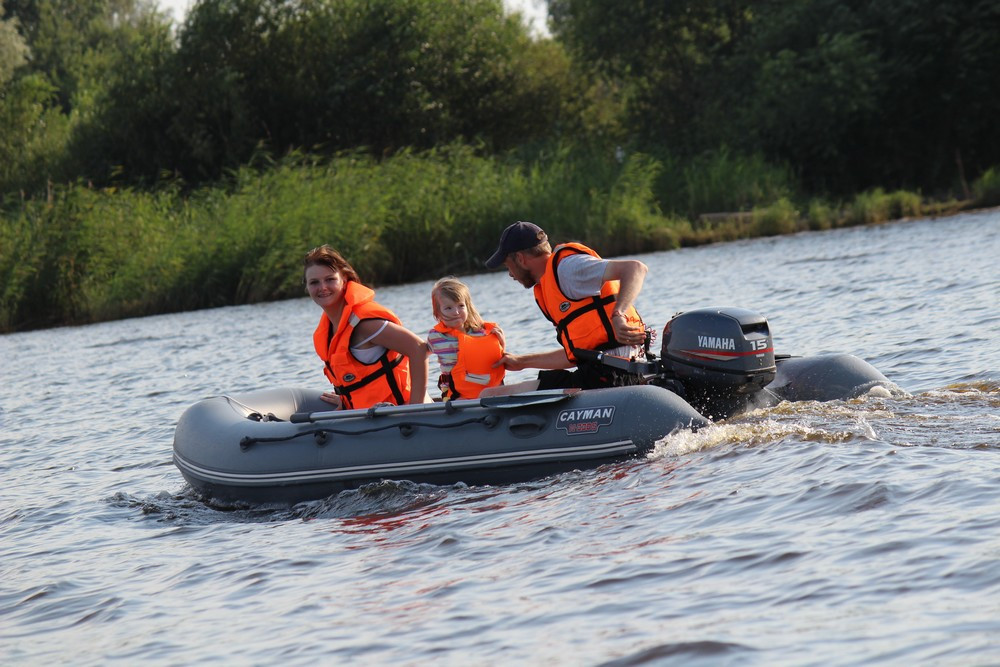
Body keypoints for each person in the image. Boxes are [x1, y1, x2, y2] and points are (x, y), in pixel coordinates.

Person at [480, 221, 649, 395]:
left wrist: (618, 314)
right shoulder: (551, 285)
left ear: (521, 259)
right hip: (603, 373)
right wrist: (521, 362)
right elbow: (575, 354)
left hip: (613, 375)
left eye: (508, 265)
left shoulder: (567, 268)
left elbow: (635, 268)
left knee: (489, 395)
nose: (509, 274)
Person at [304, 244, 429, 409]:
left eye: (330, 279)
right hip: (372, 421)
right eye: (314, 282)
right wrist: (346, 399)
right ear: (306, 287)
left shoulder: (364, 324)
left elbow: (419, 349)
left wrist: (416, 409)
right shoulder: (329, 331)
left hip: (403, 418)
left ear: (345, 279)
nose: (322, 288)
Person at [426, 277, 507, 400]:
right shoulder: (435, 337)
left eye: (461, 306)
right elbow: (421, 356)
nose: (456, 312)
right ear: (437, 313)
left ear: (467, 307)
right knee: (461, 401)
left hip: (488, 388)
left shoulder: (483, 332)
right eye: (448, 308)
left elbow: (498, 359)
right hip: (455, 394)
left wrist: (501, 341)